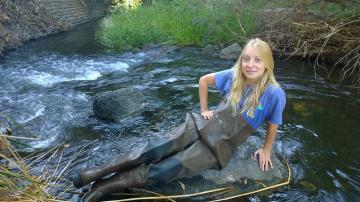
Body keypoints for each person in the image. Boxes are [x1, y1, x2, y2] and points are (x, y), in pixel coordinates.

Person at [73, 38, 286, 202]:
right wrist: (204, 109)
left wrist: (266, 149)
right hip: (200, 125)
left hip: (218, 147)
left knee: (165, 169)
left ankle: (103, 188)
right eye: (246, 59)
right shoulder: (234, 75)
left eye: (257, 60)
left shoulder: (274, 94)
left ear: (267, 63)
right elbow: (203, 81)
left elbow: (273, 124)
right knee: (153, 149)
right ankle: (96, 173)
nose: (250, 64)